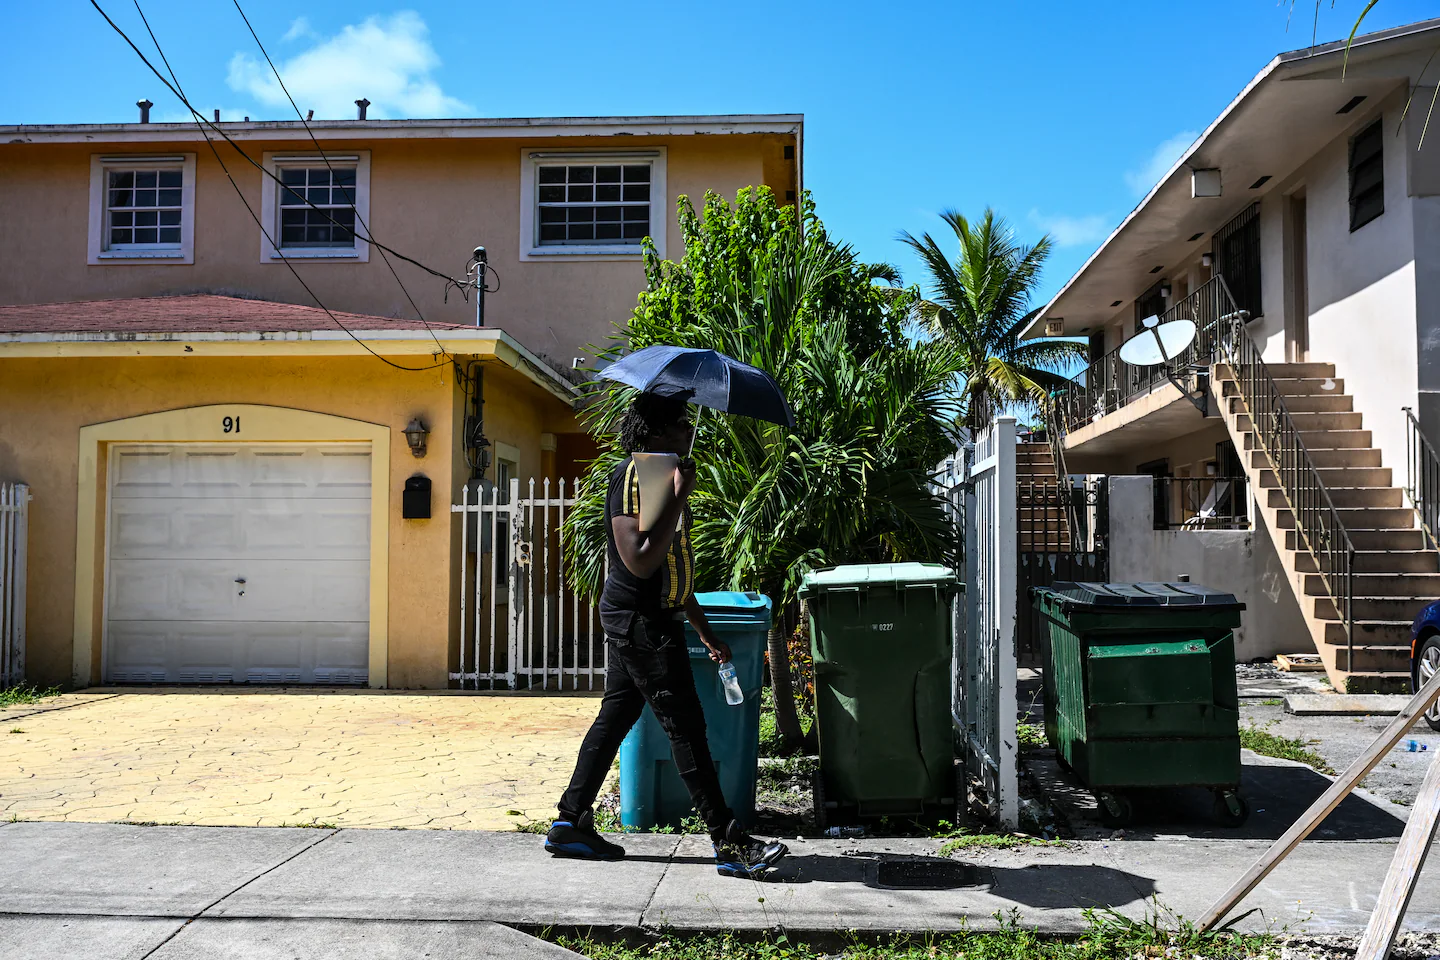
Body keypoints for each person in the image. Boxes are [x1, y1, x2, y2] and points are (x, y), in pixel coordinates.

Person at [545, 389, 788, 878]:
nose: (689, 429)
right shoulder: (636, 477)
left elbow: (670, 567)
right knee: (686, 726)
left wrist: (703, 628)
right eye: (679, 422)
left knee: (616, 716)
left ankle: (570, 822)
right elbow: (639, 559)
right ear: (656, 432)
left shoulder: (660, 476)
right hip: (640, 620)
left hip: (648, 615)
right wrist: (678, 495)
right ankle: (728, 842)